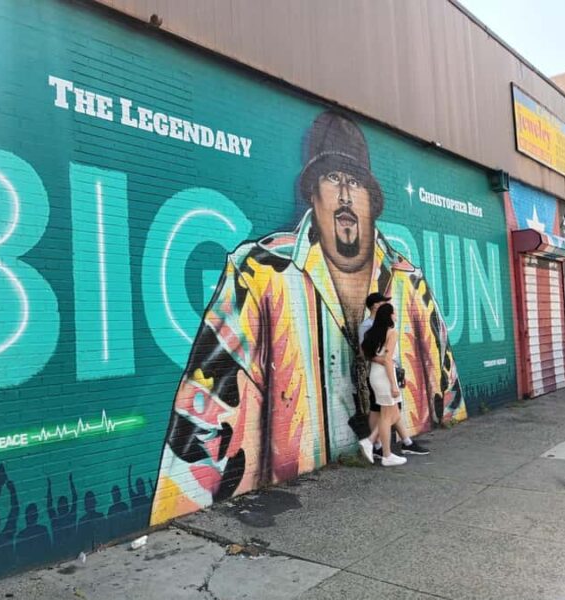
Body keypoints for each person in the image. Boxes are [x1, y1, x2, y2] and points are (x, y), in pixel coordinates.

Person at [150, 110, 465, 525]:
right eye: (333, 180)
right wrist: (179, 515)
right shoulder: (259, 274)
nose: (346, 195)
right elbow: (200, 428)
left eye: (356, 182)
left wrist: (444, 420)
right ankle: (386, 445)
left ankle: (390, 442)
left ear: (372, 201)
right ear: (313, 198)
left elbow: (447, 388)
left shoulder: (410, 283)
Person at [358, 293, 429, 459]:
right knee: (381, 411)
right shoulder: (367, 326)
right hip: (383, 373)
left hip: (389, 371)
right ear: (375, 306)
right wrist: (384, 362)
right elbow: (365, 353)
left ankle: (404, 443)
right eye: (384, 302)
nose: (388, 306)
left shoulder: (383, 326)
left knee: (393, 411)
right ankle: (376, 445)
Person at [360, 304, 407, 466]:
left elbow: (368, 354)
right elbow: (388, 360)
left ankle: (371, 440)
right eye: (394, 313)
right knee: (387, 417)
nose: (396, 315)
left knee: (393, 414)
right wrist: (394, 385)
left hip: (375, 374)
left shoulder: (373, 333)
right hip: (386, 376)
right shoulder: (392, 332)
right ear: (389, 316)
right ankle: (386, 455)